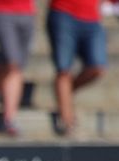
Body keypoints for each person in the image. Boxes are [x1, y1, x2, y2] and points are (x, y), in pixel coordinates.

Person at [46, 0, 106, 136]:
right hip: (63, 12)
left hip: (92, 17)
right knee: (64, 70)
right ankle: (67, 122)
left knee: (97, 68)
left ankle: (64, 95)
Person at [0, 0, 36, 137]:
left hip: (27, 11)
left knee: (16, 66)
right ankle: (9, 118)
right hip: (1, 8)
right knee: (12, 62)